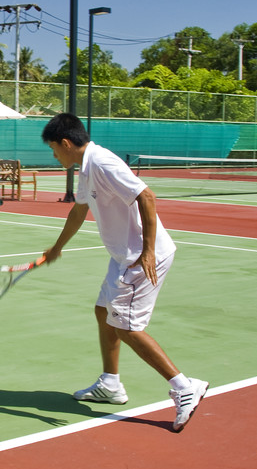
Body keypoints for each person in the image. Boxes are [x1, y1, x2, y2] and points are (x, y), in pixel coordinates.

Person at [40, 113, 208, 432]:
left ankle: (185, 387)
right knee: (103, 311)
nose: (54, 156)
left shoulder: (102, 163)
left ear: (65, 143)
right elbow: (79, 210)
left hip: (140, 258)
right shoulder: (86, 168)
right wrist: (57, 247)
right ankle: (111, 384)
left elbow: (147, 196)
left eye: (53, 149)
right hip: (122, 257)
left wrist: (147, 250)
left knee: (127, 328)